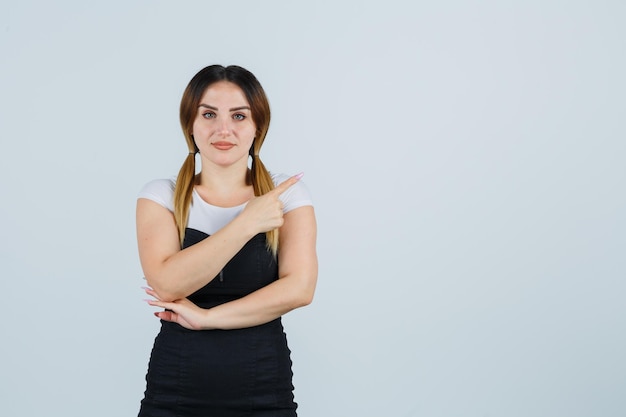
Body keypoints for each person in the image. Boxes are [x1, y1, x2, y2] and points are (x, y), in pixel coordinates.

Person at [136, 64, 318, 417]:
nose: (223, 129)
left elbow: (300, 289)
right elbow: (168, 283)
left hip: (264, 389)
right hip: (174, 390)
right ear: (190, 123)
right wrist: (246, 223)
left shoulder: (287, 196)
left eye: (238, 116)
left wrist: (207, 318)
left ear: (257, 127)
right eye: (208, 114)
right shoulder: (161, 195)